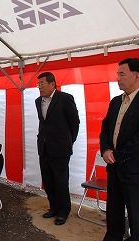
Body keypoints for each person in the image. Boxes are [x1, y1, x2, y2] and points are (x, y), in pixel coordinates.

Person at [93, 58, 139, 241]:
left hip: (135, 168)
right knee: (114, 206)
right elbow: (106, 128)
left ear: (137, 76)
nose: (118, 77)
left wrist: (117, 155)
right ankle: (113, 240)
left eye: (122, 73)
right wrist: (105, 149)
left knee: (136, 211)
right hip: (114, 165)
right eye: (118, 73)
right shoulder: (116, 101)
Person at [35, 72, 80, 226]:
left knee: (61, 180)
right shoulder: (38, 101)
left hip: (60, 147)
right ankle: (53, 207)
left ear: (52, 84)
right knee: (47, 179)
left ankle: (63, 211)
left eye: (42, 83)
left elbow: (75, 122)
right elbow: (44, 123)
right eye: (38, 84)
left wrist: (70, 140)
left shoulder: (65, 98)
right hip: (44, 146)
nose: (39, 86)